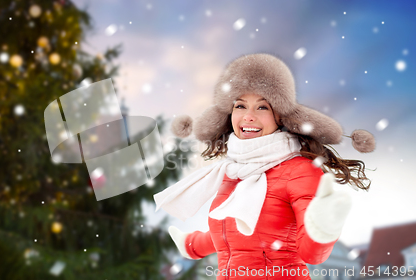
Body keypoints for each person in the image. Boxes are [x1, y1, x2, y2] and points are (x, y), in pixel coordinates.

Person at [154, 53, 375, 280]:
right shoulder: (232, 172)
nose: (248, 117)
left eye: (262, 108)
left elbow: (311, 253)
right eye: (240, 106)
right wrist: (192, 245)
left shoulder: (299, 170)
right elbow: (233, 232)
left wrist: (323, 227)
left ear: (279, 117)